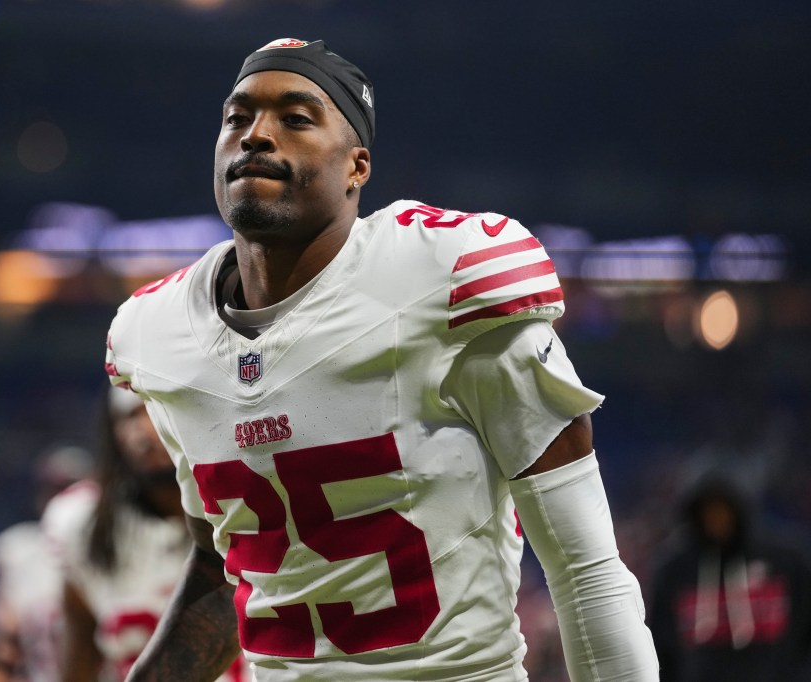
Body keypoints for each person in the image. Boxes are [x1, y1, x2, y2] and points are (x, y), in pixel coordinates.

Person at [105, 38, 659, 681]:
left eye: (296, 118)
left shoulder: (444, 279)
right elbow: (229, 560)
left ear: (356, 166)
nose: (256, 135)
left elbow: (585, 568)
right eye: (237, 117)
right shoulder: (160, 333)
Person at [42, 386, 248, 682]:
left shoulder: (252, 506)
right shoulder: (84, 525)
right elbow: (80, 658)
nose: (142, 431)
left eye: (154, 411)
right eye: (128, 416)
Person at [648, 470, 811, 681]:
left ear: (738, 509)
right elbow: (661, 647)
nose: (716, 518)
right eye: (707, 510)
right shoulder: (675, 571)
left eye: (722, 509)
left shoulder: (785, 561)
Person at [0, 444, 93, 682]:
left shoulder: (117, 549)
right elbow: (3, 646)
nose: (62, 500)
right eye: (54, 489)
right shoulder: (22, 553)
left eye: (70, 488)